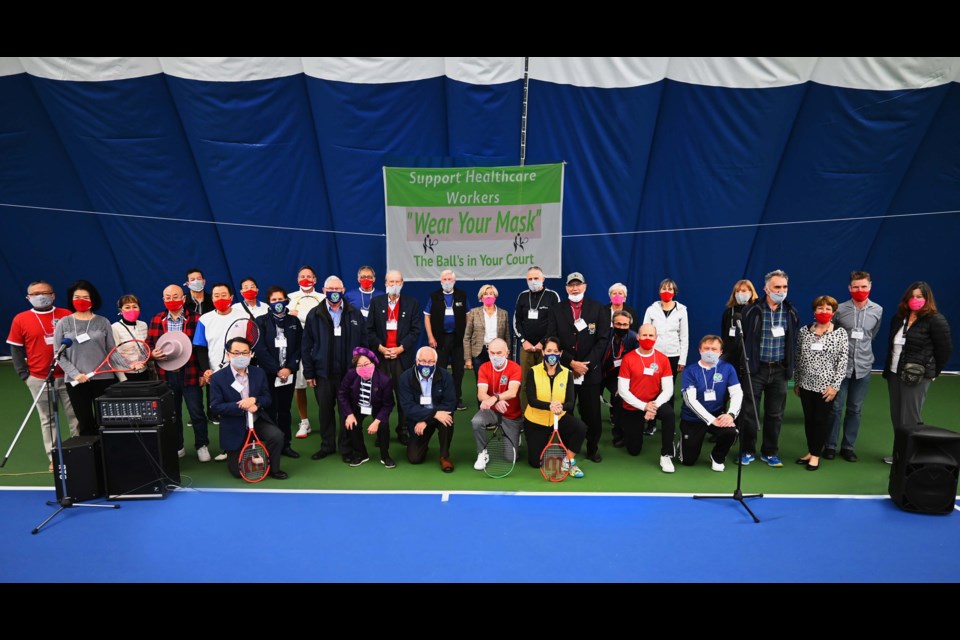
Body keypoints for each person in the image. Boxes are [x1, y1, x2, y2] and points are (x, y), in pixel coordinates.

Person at [6, 280, 78, 469]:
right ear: (28, 298)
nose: (40, 296)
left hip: (68, 376)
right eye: (35, 294)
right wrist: (25, 375)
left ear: (53, 295)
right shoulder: (20, 319)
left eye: (44, 292)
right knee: (47, 419)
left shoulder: (66, 315)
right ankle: (54, 457)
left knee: (75, 416)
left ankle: (79, 452)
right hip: (39, 378)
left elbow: (77, 344)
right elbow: (16, 350)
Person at [881, 281, 953, 464]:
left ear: (927, 299)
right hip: (895, 373)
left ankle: (912, 457)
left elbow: (944, 349)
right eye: (912, 296)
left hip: (917, 377)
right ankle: (899, 454)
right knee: (897, 416)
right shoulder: (899, 318)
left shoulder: (936, 320)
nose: (915, 299)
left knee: (910, 417)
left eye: (919, 296)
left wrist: (933, 372)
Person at [738, 269, 799, 468]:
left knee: (775, 414)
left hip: (780, 370)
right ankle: (747, 450)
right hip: (756, 370)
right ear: (766, 288)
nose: (781, 291)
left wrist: (790, 368)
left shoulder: (790, 311)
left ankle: (770, 452)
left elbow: (792, 341)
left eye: (784, 287)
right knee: (748, 412)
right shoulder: (752, 310)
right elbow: (744, 339)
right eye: (777, 287)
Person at [546, 272, 608, 463]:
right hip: (565, 371)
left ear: (585, 287)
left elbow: (603, 339)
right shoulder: (556, 310)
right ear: (566, 288)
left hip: (590, 372)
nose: (575, 288)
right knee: (567, 412)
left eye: (578, 285)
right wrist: (571, 363)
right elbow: (552, 339)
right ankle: (567, 446)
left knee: (592, 414)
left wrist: (586, 365)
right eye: (571, 285)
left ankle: (592, 448)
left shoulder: (598, 309)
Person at [303, 276, 366, 462]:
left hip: (349, 374)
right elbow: (306, 346)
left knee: (347, 411)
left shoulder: (355, 314)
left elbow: (364, 344)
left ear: (344, 290)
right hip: (323, 374)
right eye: (330, 288)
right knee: (325, 411)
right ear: (323, 290)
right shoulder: (314, 314)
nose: (334, 291)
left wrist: (360, 370)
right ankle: (327, 446)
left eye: (337, 288)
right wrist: (309, 372)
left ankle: (345, 448)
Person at [146, 284, 209, 462]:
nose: (172, 300)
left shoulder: (197, 319)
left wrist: (203, 372)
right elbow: (148, 345)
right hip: (166, 375)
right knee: (172, 414)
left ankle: (202, 445)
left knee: (196, 412)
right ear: (163, 299)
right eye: (168, 297)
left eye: (175, 296)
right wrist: (152, 354)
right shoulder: (157, 319)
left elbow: (201, 348)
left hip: (190, 373)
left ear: (183, 298)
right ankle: (178, 445)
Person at [824, 271, 883, 462]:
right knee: (835, 408)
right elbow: (831, 335)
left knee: (855, 409)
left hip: (863, 368)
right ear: (850, 288)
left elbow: (872, 334)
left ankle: (848, 447)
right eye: (856, 287)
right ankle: (830, 446)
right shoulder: (839, 309)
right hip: (841, 368)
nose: (860, 290)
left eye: (864, 286)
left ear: (870, 287)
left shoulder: (877, 310)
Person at [209, 337, 287, 480]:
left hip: (257, 419)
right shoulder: (218, 378)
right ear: (228, 354)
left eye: (245, 352)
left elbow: (267, 398)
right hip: (234, 425)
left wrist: (255, 401)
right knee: (238, 473)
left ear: (251, 354)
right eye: (236, 352)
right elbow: (216, 406)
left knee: (276, 436)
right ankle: (241, 453)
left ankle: (274, 469)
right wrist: (240, 405)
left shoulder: (259, 373)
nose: (241, 356)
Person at [53, 280, 116, 437]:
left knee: (107, 422)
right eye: (77, 297)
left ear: (93, 299)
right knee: (85, 423)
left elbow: (112, 351)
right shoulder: (63, 322)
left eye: (85, 297)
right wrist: (75, 374)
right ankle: (91, 458)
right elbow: (58, 354)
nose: (81, 301)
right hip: (76, 382)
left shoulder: (103, 322)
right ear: (71, 299)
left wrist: (130, 365)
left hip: (104, 379)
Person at [194, 281, 248, 459]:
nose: (220, 298)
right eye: (216, 295)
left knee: (244, 407)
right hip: (217, 375)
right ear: (212, 298)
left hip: (242, 373)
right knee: (224, 412)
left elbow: (251, 342)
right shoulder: (205, 319)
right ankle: (228, 449)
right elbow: (201, 347)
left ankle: (249, 445)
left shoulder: (244, 317)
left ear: (231, 297)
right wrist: (206, 370)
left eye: (224, 295)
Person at [367, 269, 422, 446]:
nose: (394, 285)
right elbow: (369, 330)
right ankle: (381, 431)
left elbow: (415, 331)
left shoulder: (412, 303)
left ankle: (403, 430)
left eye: (398, 282)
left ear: (402, 284)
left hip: (401, 357)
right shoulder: (376, 303)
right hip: (381, 357)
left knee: (403, 395)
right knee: (379, 395)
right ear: (385, 284)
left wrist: (400, 348)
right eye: (391, 282)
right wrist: (380, 348)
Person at [793, 296, 848, 471]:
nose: (823, 311)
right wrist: (797, 381)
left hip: (826, 387)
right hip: (806, 384)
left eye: (827, 309)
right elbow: (798, 357)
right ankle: (811, 451)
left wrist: (835, 386)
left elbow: (842, 361)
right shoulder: (804, 331)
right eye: (820, 308)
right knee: (809, 420)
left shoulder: (840, 333)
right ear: (814, 311)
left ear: (833, 312)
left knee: (820, 420)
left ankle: (816, 455)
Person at [522, 337, 587, 478]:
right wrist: (550, 406)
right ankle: (545, 441)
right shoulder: (533, 372)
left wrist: (560, 406)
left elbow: (570, 402)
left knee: (581, 428)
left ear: (560, 353)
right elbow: (532, 400)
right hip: (535, 421)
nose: (552, 354)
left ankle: (568, 460)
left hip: (559, 418)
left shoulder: (567, 373)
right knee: (535, 462)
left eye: (556, 351)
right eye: (549, 350)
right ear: (543, 352)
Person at [617, 323, 676, 472]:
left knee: (669, 414)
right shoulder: (628, 359)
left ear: (656, 338)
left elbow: (668, 389)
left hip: (655, 402)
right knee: (634, 450)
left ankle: (666, 454)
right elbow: (622, 390)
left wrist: (653, 406)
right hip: (634, 406)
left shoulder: (662, 359)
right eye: (644, 335)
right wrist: (644, 407)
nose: (647, 338)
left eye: (651, 335)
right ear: (638, 337)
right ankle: (636, 427)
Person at [679, 335, 743, 471]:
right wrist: (711, 420)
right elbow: (690, 401)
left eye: (714, 349)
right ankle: (683, 444)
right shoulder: (690, 371)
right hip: (692, 418)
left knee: (731, 431)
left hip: (716, 414)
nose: (710, 352)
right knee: (688, 461)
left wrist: (730, 415)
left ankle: (717, 457)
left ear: (721, 352)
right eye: (706, 348)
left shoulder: (728, 368)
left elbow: (737, 393)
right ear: (700, 350)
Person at [253, 286, 302, 458]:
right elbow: (260, 349)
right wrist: (276, 369)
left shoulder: (293, 322)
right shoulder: (261, 321)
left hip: (288, 375)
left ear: (286, 301)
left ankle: (285, 445)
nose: (278, 303)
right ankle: (270, 445)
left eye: (280, 299)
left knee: (284, 410)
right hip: (268, 375)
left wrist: (289, 368)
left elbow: (299, 347)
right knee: (269, 409)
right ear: (269, 302)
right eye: (274, 300)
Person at [398, 347, 457, 472]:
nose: (426, 365)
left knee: (447, 419)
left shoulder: (446, 376)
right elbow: (408, 408)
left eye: (430, 362)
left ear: (436, 362)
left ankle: (444, 457)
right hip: (418, 418)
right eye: (423, 361)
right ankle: (422, 445)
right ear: (416, 361)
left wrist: (427, 419)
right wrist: (431, 414)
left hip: (437, 416)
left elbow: (450, 403)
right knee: (414, 458)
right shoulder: (405, 378)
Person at [642, 278, 688, 434]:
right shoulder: (651, 309)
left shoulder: (682, 310)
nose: (666, 292)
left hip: (673, 355)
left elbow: (684, 337)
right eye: (663, 288)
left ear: (675, 292)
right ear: (659, 291)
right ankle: (651, 422)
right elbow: (645, 332)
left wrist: (682, 359)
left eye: (670, 289)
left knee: (668, 389)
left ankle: (668, 424)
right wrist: (645, 354)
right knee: (652, 389)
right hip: (653, 355)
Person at [338, 346, 396, 468]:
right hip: (358, 406)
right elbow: (342, 394)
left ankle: (385, 456)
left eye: (366, 364)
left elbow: (388, 404)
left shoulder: (384, 380)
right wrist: (349, 414)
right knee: (352, 423)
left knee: (383, 426)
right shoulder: (351, 375)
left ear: (373, 363)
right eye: (359, 365)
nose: (363, 367)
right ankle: (361, 454)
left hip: (377, 408)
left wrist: (377, 421)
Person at [512, 265, 561, 411]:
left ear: (543, 279)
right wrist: (523, 341)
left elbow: (555, 322)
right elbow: (516, 321)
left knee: (546, 380)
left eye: (536, 278)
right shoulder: (522, 296)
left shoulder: (552, 296)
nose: (533, 281)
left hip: (546, 348)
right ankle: (526, 416)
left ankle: (547, 412)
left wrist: (543, 343)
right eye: (530, 279)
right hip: (526, 347)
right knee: (526, 382)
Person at [470, 338, 523, 471]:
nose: (495, 356)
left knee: (510, 458)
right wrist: (496, 402)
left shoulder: (515, 368)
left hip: (511, 414)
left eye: (499, 353)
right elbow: (481, 394)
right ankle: (482, 453)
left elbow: (512, 392)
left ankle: (516, 435)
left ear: (507, 353)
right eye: (492, 353)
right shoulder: (484, 368)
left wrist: (494, 399)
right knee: (476, 421)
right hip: (492, 410)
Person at [423, 269, 469, 411]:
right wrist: (430, 336)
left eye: (450, 279)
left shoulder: (462, 295)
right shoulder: (434, 296)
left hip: (458, 339)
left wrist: (466, 336)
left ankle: (457, 397)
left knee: (458, 370)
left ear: (454, 281)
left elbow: (469, 315)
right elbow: (426, 316)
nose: (447, 282)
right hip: (439, 339)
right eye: (444, 279)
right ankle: (440, 396)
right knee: (440, 369)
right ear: (440, 281)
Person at [288, 266, 323, 439]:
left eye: (309, 276)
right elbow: (289, 318)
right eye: (302, 276)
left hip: (320, 347)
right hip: (298, 347)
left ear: (315, 280)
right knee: (299, 386)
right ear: (297, 279)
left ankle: (326, 420)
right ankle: (304, 422)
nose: (306, 279)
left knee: (322, 385)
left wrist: (299, 315)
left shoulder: (323, 298)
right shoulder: (290, 298)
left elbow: (321, 319)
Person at [601, 310, 638, 448]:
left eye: (625, 325)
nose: (621, 327)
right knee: (589, 401)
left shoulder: (634, 339)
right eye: (618, 324)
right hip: (599, 372)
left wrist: (623, 386)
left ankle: (618, 435)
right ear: (612, 324)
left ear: (629, 325)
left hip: (617, 375)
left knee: (619, 400)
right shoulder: (604, 335)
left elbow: (635, 364)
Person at [464, 284, 510, 382]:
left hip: (498, 352)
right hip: (479, 353)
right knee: (481, 382)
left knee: (496, 381)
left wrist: (507, 355)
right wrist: (468, 358)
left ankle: (496, 398)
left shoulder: (503, 313)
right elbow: (467, 337)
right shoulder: (474, 312)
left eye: (491, 294)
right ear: (481, 297)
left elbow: (507, 337)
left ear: (495, 296)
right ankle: (481, 398)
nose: (488, 296)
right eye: (485, 294)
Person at [720, 279, 758, 376]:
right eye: (737, 291)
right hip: (731, 355)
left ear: (751, 292)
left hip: (749, 356)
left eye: (743, 291)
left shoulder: (756, 311)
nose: (740, 293)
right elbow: (724, 334)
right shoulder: (728, 312)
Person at [111, 294, 151, 382]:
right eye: (127, 307)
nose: (132, 310)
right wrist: (128, 368)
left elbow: (146, 347)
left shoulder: (143, 325)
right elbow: (113, 353)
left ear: (139, 308)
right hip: (126, 373)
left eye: (135, 307)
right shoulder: (114, 328)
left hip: (144, 371)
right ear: (120, 310)